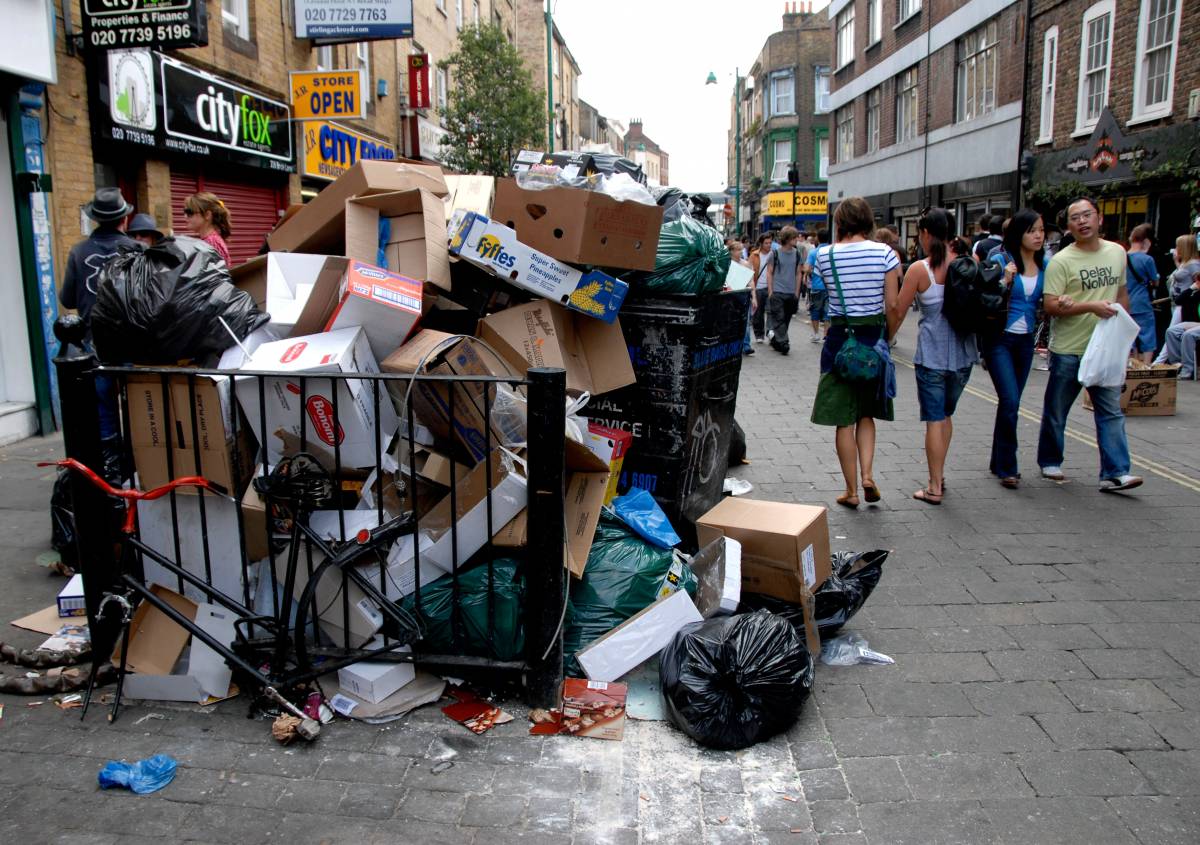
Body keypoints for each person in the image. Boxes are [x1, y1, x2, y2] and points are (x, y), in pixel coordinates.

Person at [1037, 197, 1143, 492]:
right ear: (1068, 225)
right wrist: (1090, 306)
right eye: (1075, 218)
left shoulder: (1117, 253)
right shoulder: (1061, 261)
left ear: (1099, 219)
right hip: (1070, 347)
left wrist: (1126, 335)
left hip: (1106, 347)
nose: (1082, 221)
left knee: (1110, 410)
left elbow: (1121, 294)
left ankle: (1116, 472)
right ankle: (1050, 459)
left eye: (1087, 215)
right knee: (1057, 409)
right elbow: (1050, 305)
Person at [810, 197, 901, 508]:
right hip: (873, 338)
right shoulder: (886, 253)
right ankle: (868, 475)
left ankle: (850, 490)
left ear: (840, 223)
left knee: (842, 420)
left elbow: (825, 294)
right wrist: (888, 338)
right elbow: (892, 305)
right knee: (865, 413)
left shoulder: (824, 255)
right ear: (868, 221)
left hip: (839, 342)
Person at [890, 208, 977, 504]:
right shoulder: (967, 264)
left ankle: (934, 485)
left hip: (931, 355)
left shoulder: (919, 270)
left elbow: (899, 312)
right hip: (964, 356)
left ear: (925, 234)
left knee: (934, 420)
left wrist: (886, 338)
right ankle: (940, 474)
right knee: (946, 415)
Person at [59, 187, 137, 481]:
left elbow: (68, 299)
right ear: (123, 219)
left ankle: (111, 473)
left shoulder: (79, 252)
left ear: (95, 219)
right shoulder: (136, 250)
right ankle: (139, 464)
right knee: (139, 409)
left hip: (95, 344)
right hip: (131, 342)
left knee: (104, 411)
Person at [979, 210, 1047, 489]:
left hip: (1025, 342)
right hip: (999, 340)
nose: (1039, 236)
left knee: (1011, 403)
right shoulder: (1000, 260)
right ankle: (1009, 466)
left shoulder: (1045, 264)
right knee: (1010, 402)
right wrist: (1003, 280)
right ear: (1019, 233)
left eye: (1042, 230)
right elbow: (982, 293)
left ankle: (998, 459)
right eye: (1033, 230)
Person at [1155, 267, 1200, 379]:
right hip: (1196, 323)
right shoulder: (1196, 293)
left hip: (1196, 326)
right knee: (1172, 331)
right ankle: (1177, 364)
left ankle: (1188, 370)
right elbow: (1178, 300)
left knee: (1188, 334)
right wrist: (1191, 288)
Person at [766, 226, 803, 354]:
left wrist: (797, 292)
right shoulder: (774, 254)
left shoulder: (797, 254)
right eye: (794, 237)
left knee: (786, 319)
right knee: (779, 318)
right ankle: (784, 343)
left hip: (791, 292)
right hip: (777, 292)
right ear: (787, 239)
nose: (797, 239)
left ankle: (777, 340)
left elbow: (799, 273)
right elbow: (769, 272)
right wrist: (770, 291)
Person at [1125, 224, 1159, 364]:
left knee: (1128, 336)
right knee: (1147, 334)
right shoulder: (1147, 259)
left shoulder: (1122, 258)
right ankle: (1146, 366)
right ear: (1147, 241)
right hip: (1142, 302)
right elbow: (1155, 282)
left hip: (1125, 302)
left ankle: (1130, 364)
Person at [184, 191, 233, 265]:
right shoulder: (209, 241)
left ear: (207, 215)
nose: (185, 216)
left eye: (189, 212)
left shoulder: (211, 243)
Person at [1163, 234, 1200, 326]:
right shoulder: (1185, 262)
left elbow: (1198, 282)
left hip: (1184, 304)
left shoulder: (1194, 265)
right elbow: (1183, 274)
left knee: (1172, 332)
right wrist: (1176, 261)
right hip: (1177, 302)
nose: (1176, 249)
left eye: (1178, 246)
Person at [806, 228, 831, 342]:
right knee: (827, 311)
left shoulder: (813, 252)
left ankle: (816, 334)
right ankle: (826, 334)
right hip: (830, 286)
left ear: (818, 239)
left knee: (815, 310)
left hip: (816, 286)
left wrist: (811, 275)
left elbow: (807, 268)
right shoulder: (832, 251)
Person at [750, 233, 774, 343]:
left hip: (770, 287)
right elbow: (750, 272)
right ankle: (759, 334)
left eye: (770, 243)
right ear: (761, 243)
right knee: (758, 313)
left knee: (770, 311)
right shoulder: (754, 255)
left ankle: (769, 332)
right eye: (766, 243)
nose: (769, 245)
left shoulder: (774, 254)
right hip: (758, 287)